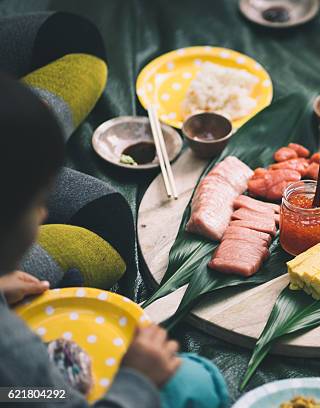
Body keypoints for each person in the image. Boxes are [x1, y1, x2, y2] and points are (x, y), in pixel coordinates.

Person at [0, 74, 198, 407]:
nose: (44, 213)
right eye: (36, 204)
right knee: (196, 381)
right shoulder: (13, 354)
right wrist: (137, 382)